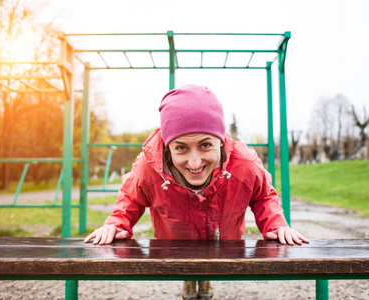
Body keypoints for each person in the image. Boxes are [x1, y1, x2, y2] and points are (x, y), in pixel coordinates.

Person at [84, 84, 309, 300]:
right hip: (177, 241)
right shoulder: (148, 167)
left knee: (211, 263)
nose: (194, 163)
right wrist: (116, 223)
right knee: (188, 264)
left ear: (220, 142)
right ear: (167, 147)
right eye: (181, 147)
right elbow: (131, 197)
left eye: (205, 145)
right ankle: (190, 276)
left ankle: (206, 276)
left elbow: (263, 195)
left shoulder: (245, 164)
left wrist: (276, 225)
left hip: (222, 239)